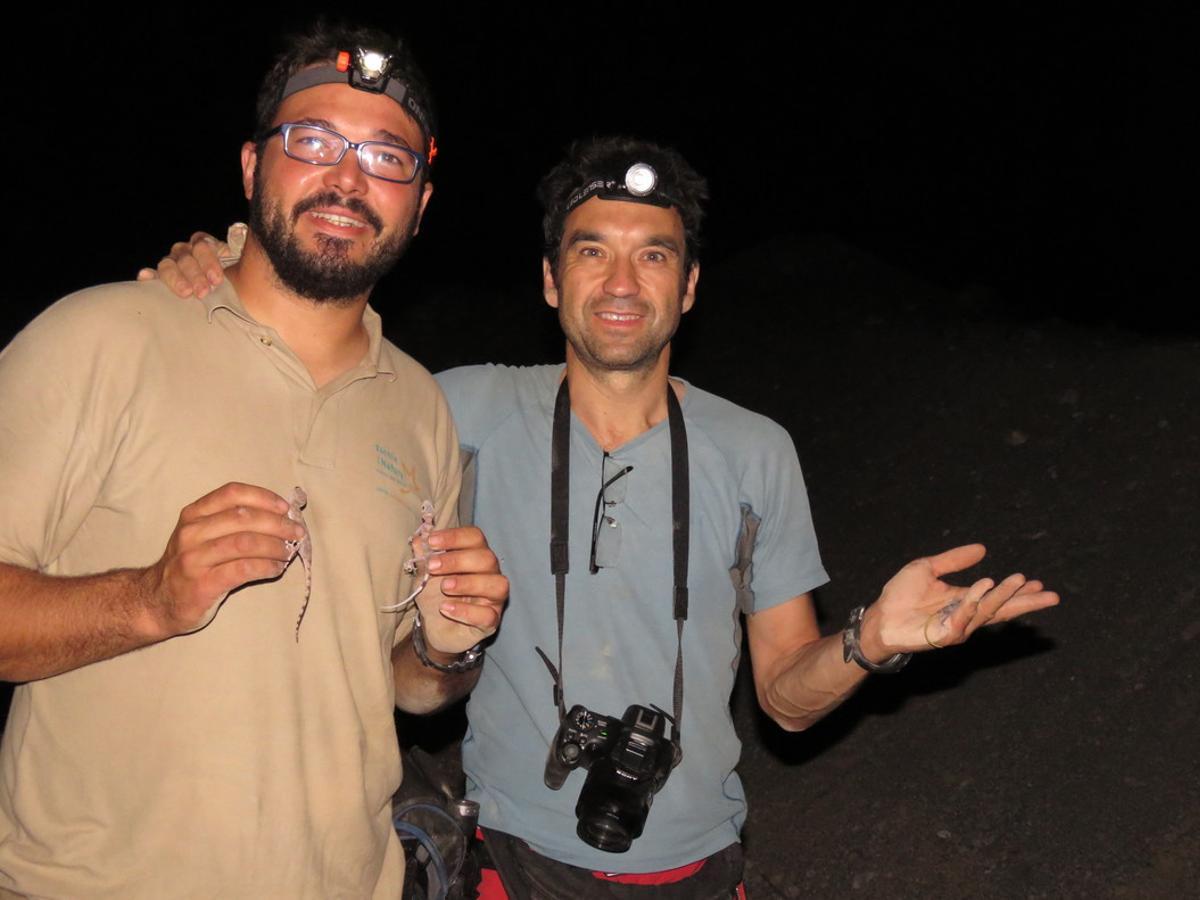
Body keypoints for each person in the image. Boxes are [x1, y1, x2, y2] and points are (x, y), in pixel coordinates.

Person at [149, 137, 1059, 898]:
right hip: (510, 853)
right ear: (550, 280)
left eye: (654, 254)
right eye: (592, 250)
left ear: (690, 285)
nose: (622, 280)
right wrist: (230, 273)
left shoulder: (754, 453)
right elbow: (317, 365)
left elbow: (783, 697)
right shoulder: (457, 412)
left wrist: (870, 640)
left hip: (701, 863)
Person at [0, 23, 507, 899]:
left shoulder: (421, 406)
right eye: (312, 141)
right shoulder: (99, 336)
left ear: (420, 204)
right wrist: (148, 598)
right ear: (250, 166)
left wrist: (448, 645)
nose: (348, 178)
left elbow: (405, 688)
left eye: (388, 158)